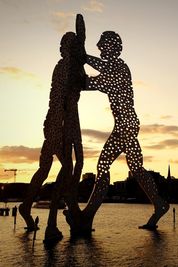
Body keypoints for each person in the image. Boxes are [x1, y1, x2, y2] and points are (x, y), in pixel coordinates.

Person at [76, 31, 169, 231]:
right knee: (136, 168)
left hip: (125, 125)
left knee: (103, 167)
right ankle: (159, 204)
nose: (100, 48)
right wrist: (82, 61)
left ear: (112, 47)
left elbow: (91, 82)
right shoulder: (113, 69)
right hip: (126, 124)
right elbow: (92, 80)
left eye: (102, 45)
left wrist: (81, 57)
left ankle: (88, 216)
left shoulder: (119, 68)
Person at [19, 16, 86, 242]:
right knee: (67, 167)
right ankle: (51, 224)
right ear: (68, 49)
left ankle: (27, 207)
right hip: (60, 123)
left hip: (57, 122)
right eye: (73, 46)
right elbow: (66, 98)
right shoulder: (67, 67)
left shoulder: (65, 66)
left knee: (46, 167)